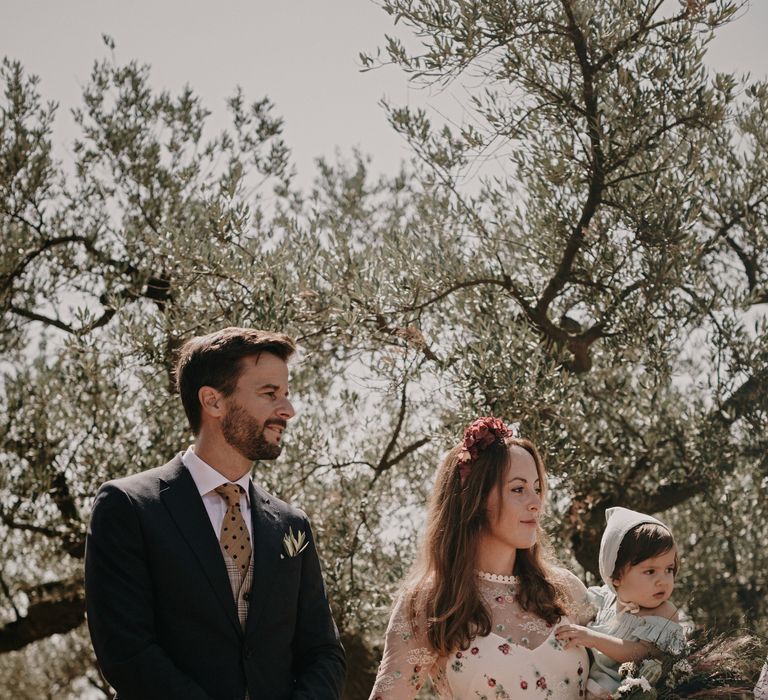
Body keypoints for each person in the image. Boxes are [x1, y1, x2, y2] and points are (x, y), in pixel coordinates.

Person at [85, 327, 346, 700]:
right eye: (269, 394)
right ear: (213, 401)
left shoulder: (292, 525)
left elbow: (324, 653)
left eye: (286, 395)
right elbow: (126, 651)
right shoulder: (128, 507)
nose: (287, 410)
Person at [369, 417, 594, 699]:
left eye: (537, 488)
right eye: (518, 489)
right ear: (475, 498)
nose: (536, 502)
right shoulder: (430, 601)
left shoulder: (566, 589)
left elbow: (619, 666)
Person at [555, 507, 687, 698]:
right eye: (650, 571)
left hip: (628, 692)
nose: (663, 580)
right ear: (616, 577)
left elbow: (640, 654)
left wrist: (592, 637)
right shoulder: (605, 600)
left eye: (669, 569)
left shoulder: (664, 612)